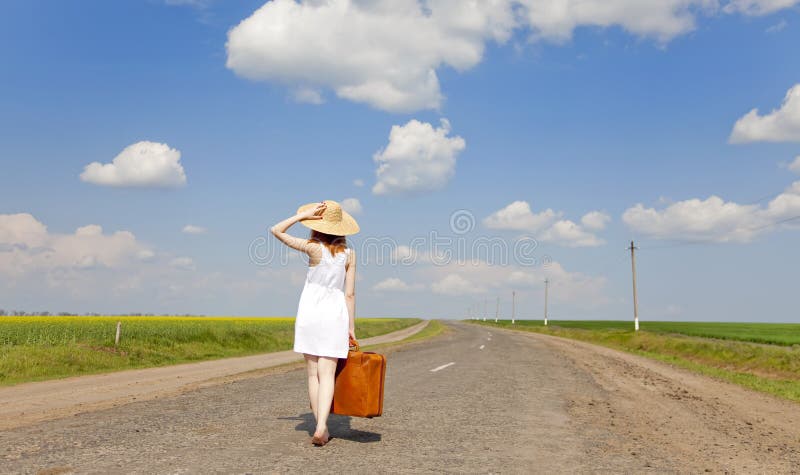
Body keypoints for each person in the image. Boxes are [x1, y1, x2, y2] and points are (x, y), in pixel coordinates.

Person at [270, 200, 359, 446]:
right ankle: (322, 426)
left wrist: (304, 215)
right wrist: (351, 328)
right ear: (341, 228)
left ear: (317, 225)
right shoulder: (349, 255)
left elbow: (276, 230)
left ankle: (320, 426)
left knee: (312, 374)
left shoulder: (312, 248)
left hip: (310, 312)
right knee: (327, 373)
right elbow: (349, 294)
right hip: (335, 314)